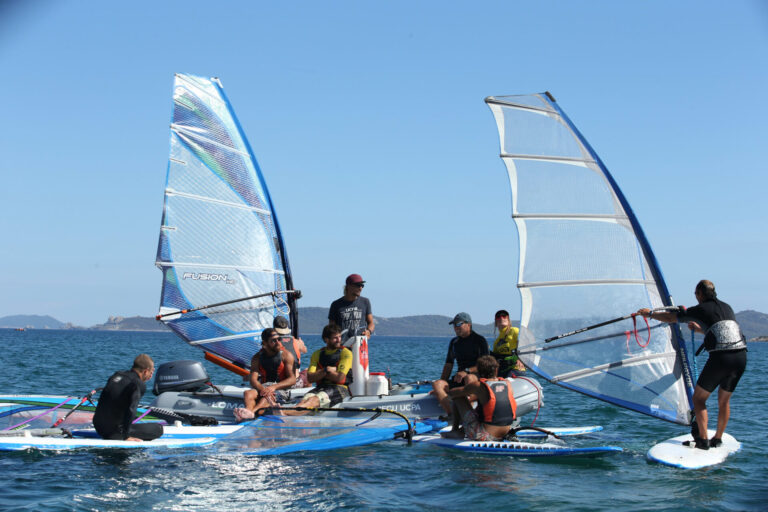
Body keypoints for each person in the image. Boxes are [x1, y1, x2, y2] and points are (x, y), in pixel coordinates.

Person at [637, 279, 747, 450]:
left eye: (696, 294)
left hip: (721, 359)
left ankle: (703, 441)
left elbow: (669, 317)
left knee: (698, 399)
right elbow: (722, 329)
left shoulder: (700, 309)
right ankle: (717, 438)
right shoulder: (726, 307)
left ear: (700, 294)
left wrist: (649, 313)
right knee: (723, 401)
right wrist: (698, 330)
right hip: (740, 358)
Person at [441, 355, 517, 441]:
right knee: (482, 408)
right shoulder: (507, 383)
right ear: (496, 370)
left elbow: (453, 393)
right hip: (505, 433)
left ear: (479, 371)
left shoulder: (479, 385)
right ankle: (461, 430)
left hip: (484, 436)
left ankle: (455, 431)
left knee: (458, 397)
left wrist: (445, 388)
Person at [281, 324, 353, 415]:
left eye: (339, 337)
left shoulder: (346, 353)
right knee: (305, 400)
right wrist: (326, 370)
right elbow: (310, 378)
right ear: (326, 339)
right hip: (322, 387)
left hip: (340, 389)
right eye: (335, 338)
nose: (339, 340)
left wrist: (320, 373)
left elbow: (339, 378)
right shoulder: (317, 354)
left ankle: (284, 413)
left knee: (313, 400)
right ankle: (286, 414)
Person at [93, 354, 163, 442]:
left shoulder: (117, 375)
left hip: (99, 426)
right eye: (151, 372)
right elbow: (132, 409)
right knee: (158, 429)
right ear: (145, 371)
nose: (151, 375)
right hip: (115, 432)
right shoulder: (138, 384)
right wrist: (126, 437)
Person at [431, 312, 490, 416]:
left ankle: (471, 415)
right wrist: (441, 387)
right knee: (437, 384)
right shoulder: (454, 342)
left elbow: (486, 364)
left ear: (469, 324)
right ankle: (452, 415)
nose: (456, 327)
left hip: (476, 378)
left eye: (459, 324)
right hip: (459, 378)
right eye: (454, 325)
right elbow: (449, 364)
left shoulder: (480, 340)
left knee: (469, 378)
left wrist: (467, 371)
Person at [233, 328, 297, 422]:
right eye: (273, 341)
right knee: (248, 393)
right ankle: (248, 412)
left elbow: (292, 379)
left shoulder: (286, 355)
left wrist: (274, 387)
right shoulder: (257, 358)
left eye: (279, 339)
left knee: (267, 397)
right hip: (264, 388)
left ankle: (251, 413)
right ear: (265, 343)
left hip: (281, 389)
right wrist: (262, 389)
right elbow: (253, 379)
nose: (278, 343)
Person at [328, 273, 374, 343]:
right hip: (342, 346)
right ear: (348, 286)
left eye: (362, 285)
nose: (360, 288)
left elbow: (371, 323)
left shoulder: (365, 302)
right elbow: (331, 328)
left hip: (361, 345)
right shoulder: (336, 305)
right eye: (358, 285)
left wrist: (369, 331)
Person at [491, 309, 525, 377]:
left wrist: (521, 359)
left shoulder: (514, 331)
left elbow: (527, 342)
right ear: (496, 322)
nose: (501, 318)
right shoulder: (497, 342)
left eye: (504, 316)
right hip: (503, 370)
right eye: (498, 317)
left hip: (516, 368)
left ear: (508, 320)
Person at [273, 315, 307, 381]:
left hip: (278, 381)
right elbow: (305, 350)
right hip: (296, 380)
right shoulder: (297, 342)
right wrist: (302, 343)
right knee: (307, 371)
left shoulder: (272, 343)